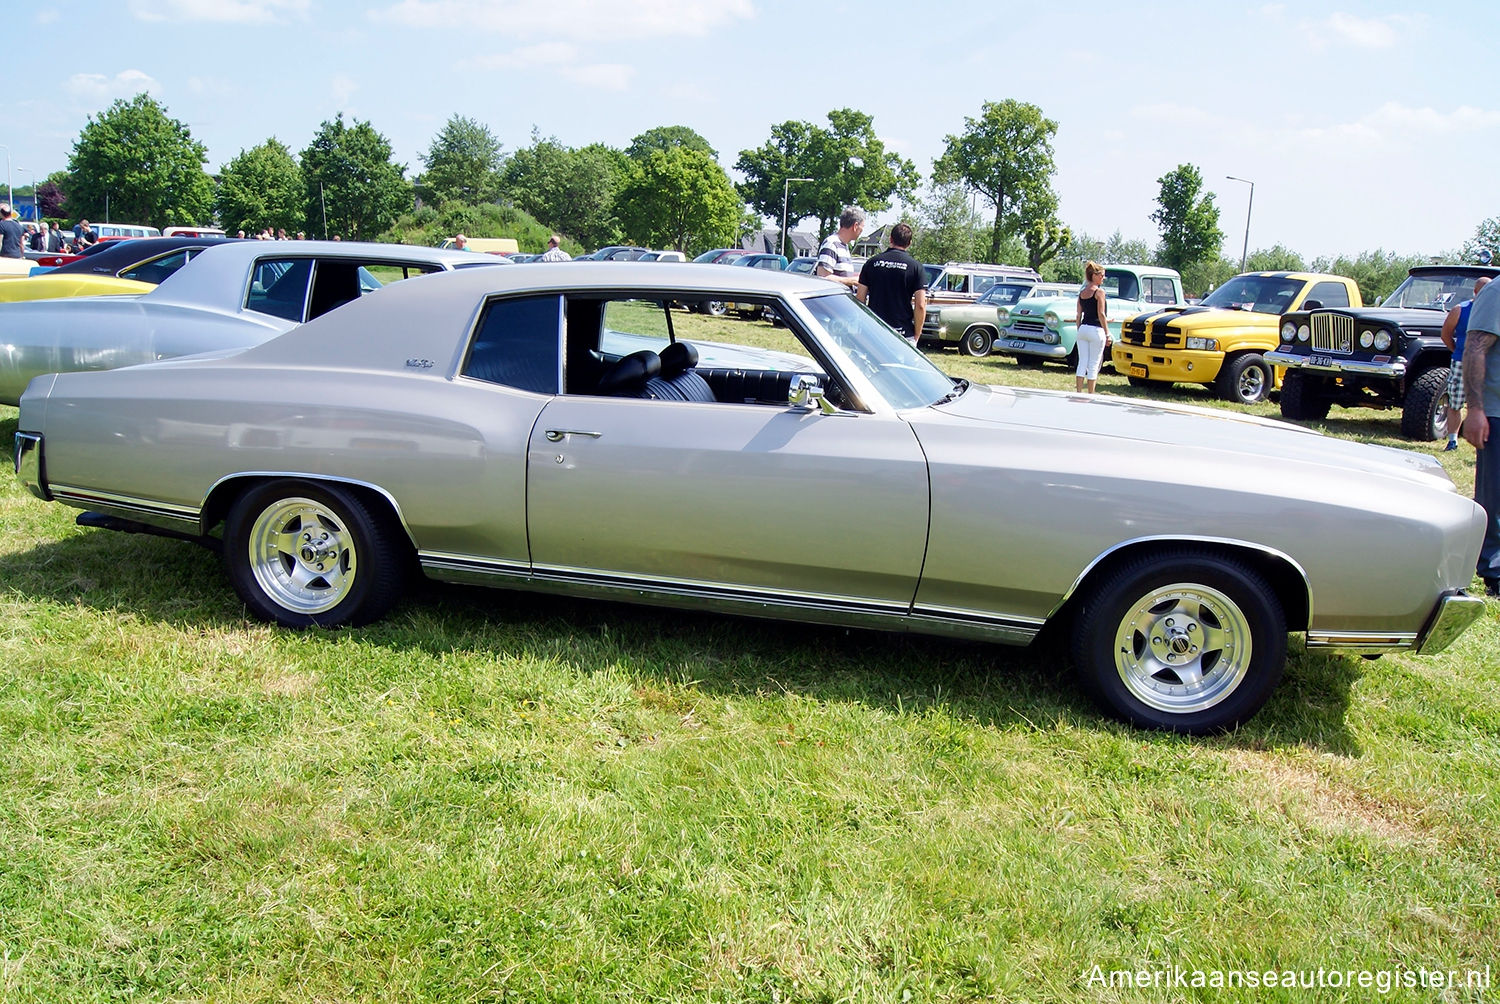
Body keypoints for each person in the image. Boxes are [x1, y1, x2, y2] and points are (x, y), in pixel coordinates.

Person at [1461, 276, 1500, 595]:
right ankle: (1494, 571)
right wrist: (1475, 409)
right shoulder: (1496, 291)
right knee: (1495, 495)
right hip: (1497, 412)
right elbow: (1475, 347)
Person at [856, 221, 927, 344]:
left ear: (890, 239)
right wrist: (916, 335)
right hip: (903, 334)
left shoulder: (871, 263)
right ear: (909, 243)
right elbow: (920, 305)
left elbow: (860, 299)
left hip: (874, 331)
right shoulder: (916, 267)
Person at [1442, 276, 1492, 450]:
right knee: (1455, 401)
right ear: (1475, 292)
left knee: (1487, 403)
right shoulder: (1460, 309)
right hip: (1460, 362)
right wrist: (1457, 350)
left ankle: (1485, 439)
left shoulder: (1493, 309)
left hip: (1487, 364)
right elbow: (1446, 334)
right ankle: (1452, 440)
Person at [1073, 260, 1109, 393]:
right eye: (1101, 276)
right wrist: (1107, 333)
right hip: (1096, 330)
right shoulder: (1099, 292)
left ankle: (1078, 392)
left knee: (1082, 362)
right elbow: (1101, 314)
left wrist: (1079, 329)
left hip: (1083, 328)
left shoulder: (1082, 293)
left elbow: (1078, 315)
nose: (1103, 278)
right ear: (1094, 275)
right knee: (1094, 363)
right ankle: (1090, 393)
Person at [815, 207, 865, 289]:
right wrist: (853, 281)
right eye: (862, 227)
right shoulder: (831, 244)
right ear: (855, 226)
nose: (862, 231)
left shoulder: (844, 246)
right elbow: (823, 277)